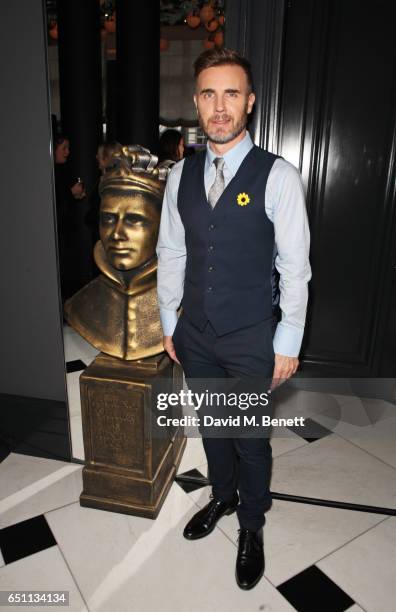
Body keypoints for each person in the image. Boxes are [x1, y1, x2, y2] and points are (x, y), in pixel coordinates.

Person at [156, 47, 312, 590]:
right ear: (196, 103)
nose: (219, 107)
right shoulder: (181, 174)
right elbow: (172, 251)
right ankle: (222, 498)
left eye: (230, 94)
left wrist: (287, 340)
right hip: (194, 331)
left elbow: (296, 267)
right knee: (214, 427)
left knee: (249, 436)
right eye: (208, 94)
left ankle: (252, 524)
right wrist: (169, 322)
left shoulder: (279, 177)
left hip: (250, 336)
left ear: (248, 102)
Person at [53, 135, 86, 302]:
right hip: (55, 232)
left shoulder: (63, 171)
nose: (67, 152)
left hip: (65, 231)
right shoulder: (49, 173)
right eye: (64, 148)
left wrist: (77, 195)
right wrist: (70, 193)